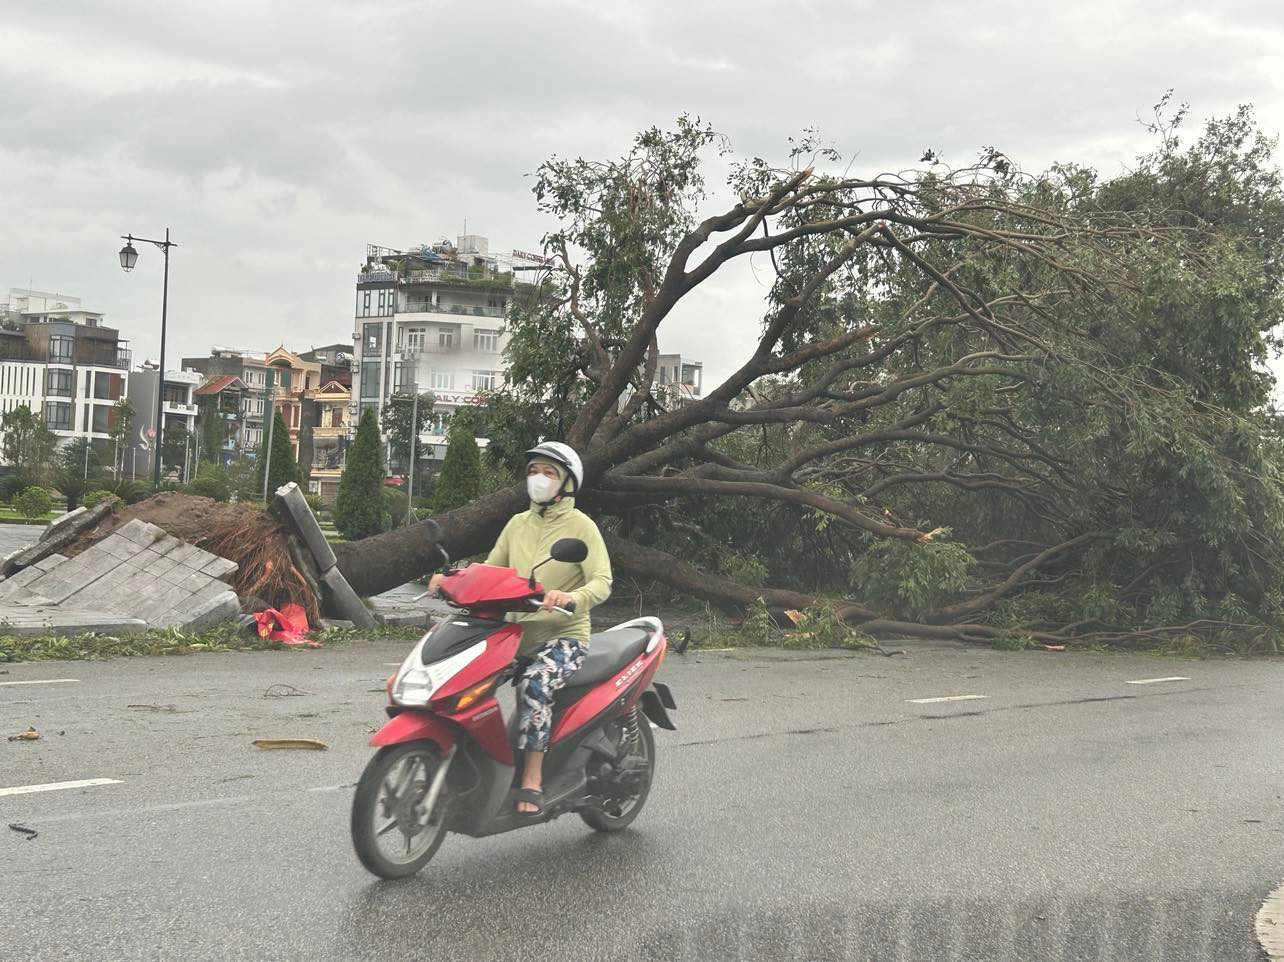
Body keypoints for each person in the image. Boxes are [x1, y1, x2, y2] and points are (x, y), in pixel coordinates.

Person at [428, 441, 612, 816]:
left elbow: (602, 580)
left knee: (535, 685)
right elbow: (491, 571)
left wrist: (570, 597)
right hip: (511, 636)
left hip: (563, 636)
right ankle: (471, 761)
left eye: (548, 473)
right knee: (461, 678)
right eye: (533, 472)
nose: (538, 479)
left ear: (566, 483)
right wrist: (451, 579)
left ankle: (532, 779)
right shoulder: (517, 524)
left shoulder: (582, 527)